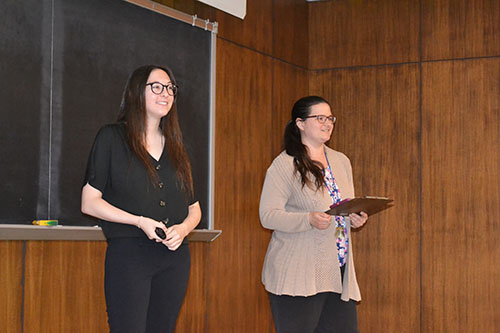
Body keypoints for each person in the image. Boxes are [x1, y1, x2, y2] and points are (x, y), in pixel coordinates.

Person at [81, 65, 201, 333]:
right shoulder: (111, 137)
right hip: (129, 255)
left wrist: (182, 230)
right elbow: (89, 202)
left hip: (175, 257)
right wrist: (139, 221)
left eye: (170, 88)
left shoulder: (178, 147)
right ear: (137, 92)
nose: (165, 93)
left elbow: (195, 209)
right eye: (156, 86)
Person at [259, 96, 368, 333]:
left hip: (337, 271)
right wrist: (307, 219)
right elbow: (267, 215)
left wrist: (354, 218)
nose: (327, 123)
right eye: (320, 118)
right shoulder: (285, 164)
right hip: (298, 274)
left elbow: (342, 205)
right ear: (300, 123)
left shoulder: (341, 161)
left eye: (330, 118)